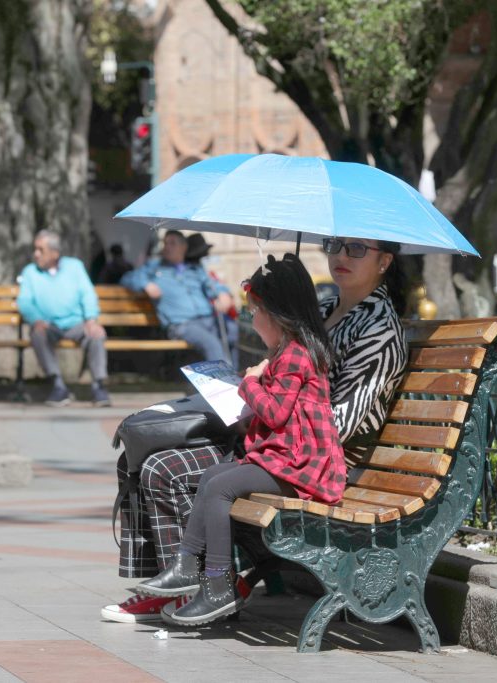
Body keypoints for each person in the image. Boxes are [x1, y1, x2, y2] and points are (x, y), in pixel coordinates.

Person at [101, 236, 408, 623]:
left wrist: (257, 399)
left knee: (169, 470)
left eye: (357, 249)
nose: (340, 255)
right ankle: (177, 579)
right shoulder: (323, 308)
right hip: (277, 441)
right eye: (334, 244)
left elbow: (338, 424)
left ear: (385, 262)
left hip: (314, 458)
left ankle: (205, 585)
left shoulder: (378, 331)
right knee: (143, 454)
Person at [133, 254, 344, 625]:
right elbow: (281, 414)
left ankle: (217, 586)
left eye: (253, 313)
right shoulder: (287, 352)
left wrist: (248, 384)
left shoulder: (296, 355)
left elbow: (276, 413)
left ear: (275, 314)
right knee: (216, 476)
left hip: (303, 468)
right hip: (289, 459)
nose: (251, 320)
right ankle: (187, 564)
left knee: (220, 487)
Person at [17, 230, 111, 407]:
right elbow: (25, 301)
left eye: (40, 250)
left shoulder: (74, 267)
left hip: (76, 323)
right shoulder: (30, 272)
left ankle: (99, 386)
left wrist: (91, 320)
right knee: (37, 334)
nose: (36, 254)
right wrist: (36, 319)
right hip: (48, 325)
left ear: (55, 253)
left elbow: (87, 294)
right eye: (35, 249)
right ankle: (57, 385)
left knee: (97, 334)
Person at [120, 230, 237, 365]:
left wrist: (223, 294)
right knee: (212, 343)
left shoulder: (195, 269)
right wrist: (145, 284)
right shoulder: (155, 267)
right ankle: (223, 383)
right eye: (165, 243)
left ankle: (232, 376)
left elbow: (213, 285)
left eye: (172, 243)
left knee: (232, 329)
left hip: (208, 319)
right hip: (182, 324)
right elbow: (127, 278)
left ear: (184, 247)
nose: (167, 247)